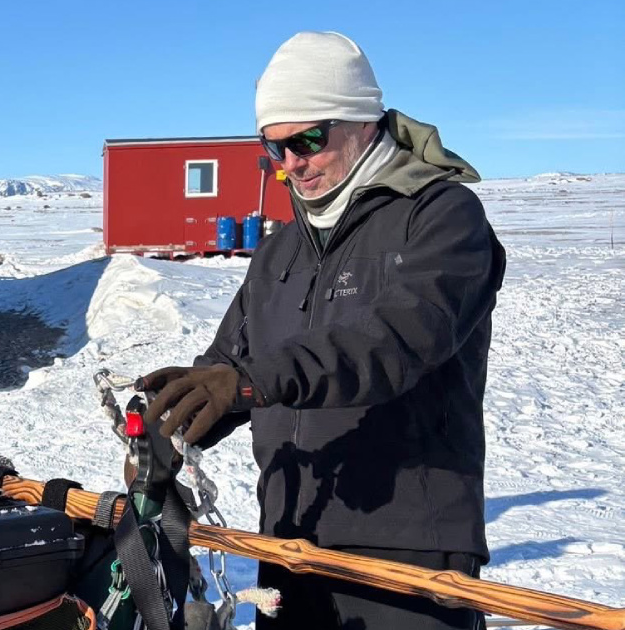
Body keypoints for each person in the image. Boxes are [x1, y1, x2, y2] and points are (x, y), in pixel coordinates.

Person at [141, 32, 505, 630]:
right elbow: (228, 368)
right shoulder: (281, 247)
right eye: (273, 147)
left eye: (307, 140)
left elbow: (397, 341)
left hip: (407, 549)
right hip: (290, 542)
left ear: (362, 122)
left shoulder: (441, 217)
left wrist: (250, 382)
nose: (291, 164)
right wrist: (168, 431)